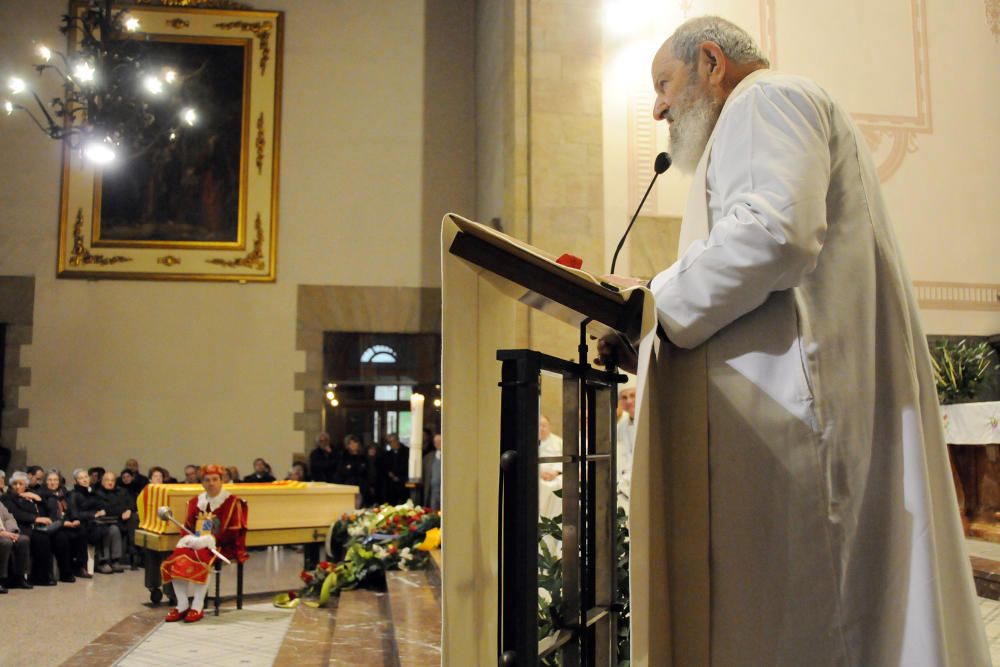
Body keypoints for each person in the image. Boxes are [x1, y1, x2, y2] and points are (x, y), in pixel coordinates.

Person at [598, 15, 988, 665]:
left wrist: (653, 298)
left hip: (804, 434)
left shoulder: (767, 101)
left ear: (712, 63)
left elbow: (773, 234)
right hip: (798, 425)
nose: (659, 106)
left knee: (812, 627)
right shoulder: (760, 116)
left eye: (664, 83)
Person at [160, 464, 248, 623]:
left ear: (222, 481)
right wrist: (190, 540)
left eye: (215, 479)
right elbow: (186, 527)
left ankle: (198, 605)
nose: (211, 483)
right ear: (202, 482)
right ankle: (182, 605)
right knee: (174, 559)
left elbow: (234, 532)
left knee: (201, 560)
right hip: (196, 543)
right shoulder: (196, 502)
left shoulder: (232, 502)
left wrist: (210, 540)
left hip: (220, 546)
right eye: (207, 480)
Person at [2, 470, 72, 585]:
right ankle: (41, 576)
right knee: (41, 539)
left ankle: (65, 572)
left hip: (39, 526)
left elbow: (46, 510)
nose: (18, 486)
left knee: (61, 537)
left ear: (26, 485)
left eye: (21, 484)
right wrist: (35, 519)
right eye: (15, 484)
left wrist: (38, 499)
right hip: (22, 526)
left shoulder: (32, 494)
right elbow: (15, 514)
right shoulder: (7, 497)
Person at [42, 470, 91, 580]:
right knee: (62, 538)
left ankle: (80, 566)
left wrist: (74, 520)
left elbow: (70, 510)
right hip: (52, 526)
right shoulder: (43, 496)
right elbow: (48, 514)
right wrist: (63, 523)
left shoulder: (64, 493)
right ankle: (65, 571)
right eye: (50, 480)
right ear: (45, 482)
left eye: (55, 480)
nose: (53, 482)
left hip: (66, 522)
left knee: (81, 532)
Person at [68, 468, 117, 575]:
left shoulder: (93, 492)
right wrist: (94, 514)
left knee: (108, 529)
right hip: (81, 524)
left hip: (94, 523)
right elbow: (74, 514)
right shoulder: (73, 494)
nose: (85, 480)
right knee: (87, 532)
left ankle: (103, 561)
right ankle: (83, 565)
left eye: (86, 477)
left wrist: (102, 511)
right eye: (81, 478)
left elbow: (104, 506)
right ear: (76, 481)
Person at [95, 471, 135, 573]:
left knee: (116, 529)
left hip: (119, 522)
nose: (110, 483)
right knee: (109, 530)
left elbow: (130, 503)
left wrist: (129, 510)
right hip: (102, 522)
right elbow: (106, 509)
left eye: (112, 480)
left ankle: (115, 561)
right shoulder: (97, 493)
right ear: (102, 482)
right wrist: (120, 511)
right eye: (107, 480)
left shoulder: (122, 491)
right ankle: (103, 562)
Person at [615, 377, 637, 512]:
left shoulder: (651, 419)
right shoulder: (620, 426)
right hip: (624, 483)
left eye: (632, 395)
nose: (628, 401)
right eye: (624, 397)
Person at [0, 500, 31, 592]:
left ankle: (20, 578)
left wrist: (10, 532)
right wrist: (2, 533)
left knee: (23, 540)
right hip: (2, 535)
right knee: (5, 543)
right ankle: (1, 580)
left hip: (6, 532)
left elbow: (9, 518)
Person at [537, 416, 563, 521]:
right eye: (539, 425)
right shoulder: (529, 442)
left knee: (560, 484)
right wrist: (540, 472)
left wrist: (555, 472)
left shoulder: (559, 441)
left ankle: (554, 519)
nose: (542, 428)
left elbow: (564, 459)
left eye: (544, 425)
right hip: (538, 475)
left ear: (549, 427)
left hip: (555, 475)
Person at [334, 435, 367, 507]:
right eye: (350, 443)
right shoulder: (343, 457)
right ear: (347, 445)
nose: (353, 445)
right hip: (348, 486)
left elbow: (365, 472)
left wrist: (351, 468)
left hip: (361, 487)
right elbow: (342, 471)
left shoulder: (363, 457)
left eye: (355, 442)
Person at [379, 433, 409, 504]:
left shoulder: (407, 452)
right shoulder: (387, 454)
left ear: (397, 440)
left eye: (393, 441)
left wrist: (400, 477)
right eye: (390, 442)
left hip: (404, 484)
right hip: (391, 486)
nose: (392, 444)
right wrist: (388, 473)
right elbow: (384, 467)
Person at [421, 434, 442, 510]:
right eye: (436, 442)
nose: (438, 444)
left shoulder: (451, 456)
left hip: (445, 491)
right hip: (433, 491)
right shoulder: (428, 457)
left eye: (440, 441)